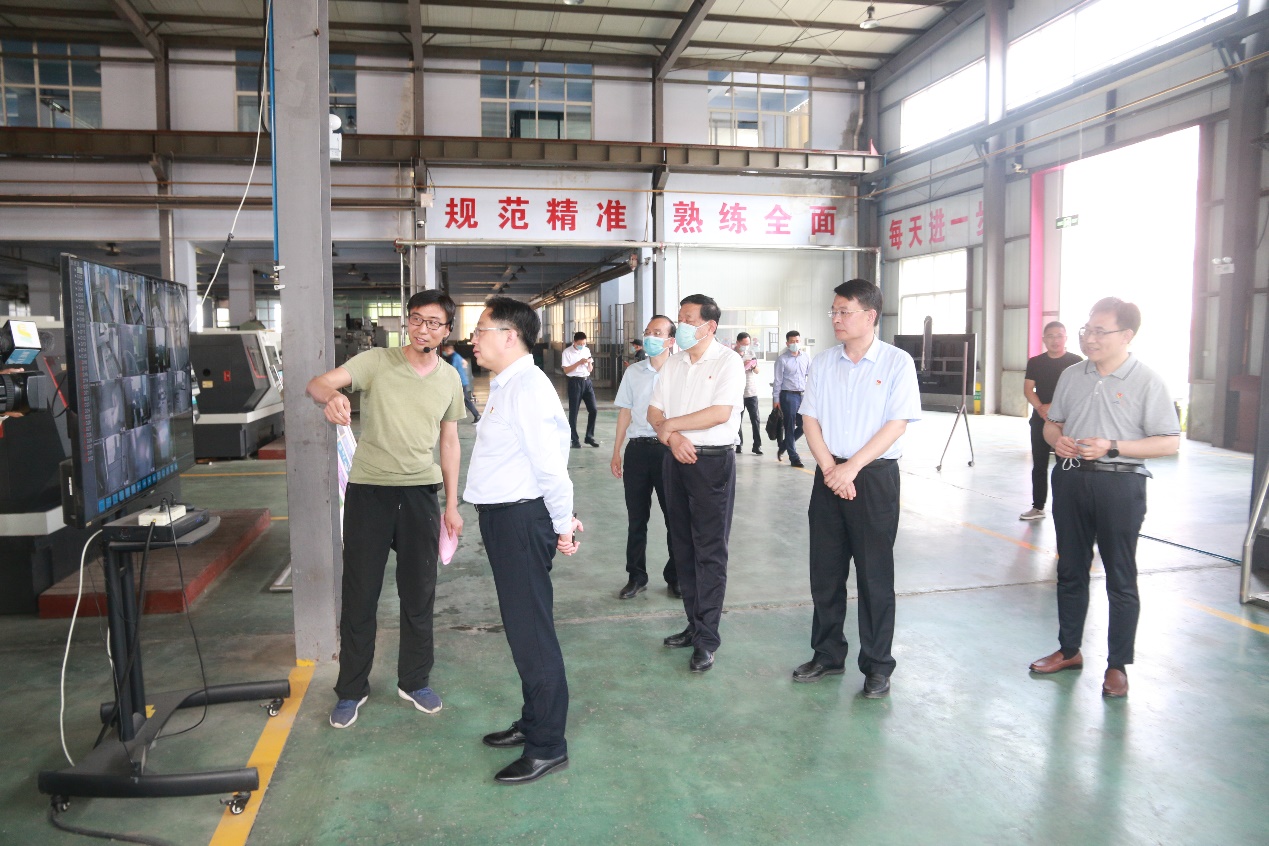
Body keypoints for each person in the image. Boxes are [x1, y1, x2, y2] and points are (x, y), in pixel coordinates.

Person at [305, 290, 466, 729]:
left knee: (419, 593)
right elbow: (316, 383)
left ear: (447, 331)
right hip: (369, 492)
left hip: (420, 495)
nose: (422, 329)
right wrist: (331, 397)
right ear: (406, 322)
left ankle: (414, 681)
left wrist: (451, 504)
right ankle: (351, 689)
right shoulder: (376, 362)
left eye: (433, 323)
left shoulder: (450, 379)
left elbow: (449, 442)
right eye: (415, 319)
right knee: (360, 594)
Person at [1029, 298, 1180, 699]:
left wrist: (1113, 447)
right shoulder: (1072, 375)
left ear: (1126, 335)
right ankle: (1069, 650)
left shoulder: (1147, 380)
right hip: (1071, 479)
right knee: (1070, 569)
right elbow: (1052, 424)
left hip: (1120, 486)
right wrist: (1056, 440)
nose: (1090, 339)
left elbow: (1169, 442)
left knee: (1120, 575)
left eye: (1100, 331)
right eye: (1087, 330)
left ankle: (1117, 665)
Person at [465, 296, 583, 784]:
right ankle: (534, 722)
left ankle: (548, 745)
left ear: (509, 336)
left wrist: (562, 524)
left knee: (531, 633)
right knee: (523, 629)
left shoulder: (528, 389)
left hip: (519, 520)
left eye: (481, 330)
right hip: (505, 518)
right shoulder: (508, 385)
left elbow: (551, 467)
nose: (473, 339)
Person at [791, 279, 921, 699]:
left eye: (844, 311)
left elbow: (896, 424)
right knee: (825, 573)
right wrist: (832, 469)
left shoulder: (897, 363)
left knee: (874, 575)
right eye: (833, 311)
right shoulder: (823, 362)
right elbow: (810, 419)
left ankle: (878, 666)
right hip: (830, 475)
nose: (836, 319)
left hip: (874, 478)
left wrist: (852, 468)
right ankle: (828, 654)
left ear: (870, 316)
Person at [647, 294, 745, 673]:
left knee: (709, 550)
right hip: (675, 458)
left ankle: (707, 639)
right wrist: (672, 437)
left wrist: (672, 426)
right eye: (681, 318)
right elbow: (654, 410)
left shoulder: (728, 362)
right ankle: (693, 624)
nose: (682, 325)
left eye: (689, 319)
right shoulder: (673, 363)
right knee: (682, 545)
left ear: (710, 325)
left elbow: (720, 413)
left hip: (711, 463)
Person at [611, 315, 680, 600]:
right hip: (638, 450)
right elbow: (625, 412)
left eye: (658, 333)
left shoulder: (681, 371)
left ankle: (676, 576)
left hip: (669, 451)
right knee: (637, 518)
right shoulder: (634, 372)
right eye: (648, 332)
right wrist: (616, 451)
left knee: (675, 518)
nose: (651, 337)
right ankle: (636, 576)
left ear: (671, 340)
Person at [1020, 322, 1081, 520]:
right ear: (1044, 339)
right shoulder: (1035, 362)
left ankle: (1067, 508)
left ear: (1066, 338)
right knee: (1039, 463)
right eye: (1051, 336)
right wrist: (1041, 409)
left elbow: (1078, 392)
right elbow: (1028, 389)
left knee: (1067, 464)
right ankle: (1038, 507)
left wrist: (1053, 408)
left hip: (1067, 422)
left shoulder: (1076, 362)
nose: (1055, 340)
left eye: (1059, 336)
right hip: (1040, 419)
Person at [772, 329, 810, 467]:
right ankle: (794, 458)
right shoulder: (782, 360)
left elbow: (810, 376)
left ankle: (784, 446)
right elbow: (777, 381)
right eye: (792, 341)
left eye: (797, 341)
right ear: (787, 343)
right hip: (788, 396)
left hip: (802, 395)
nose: (795, 344)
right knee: (789, 426)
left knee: (804, 425)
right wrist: (776, 400)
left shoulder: (806, 357)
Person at [562, 330, 599, 448]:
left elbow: (590, 369)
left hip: (587, 381)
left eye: (584, 343)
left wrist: (589, 363)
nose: (582, 346)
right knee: (574, 412)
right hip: (575, 382)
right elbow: (566, 370)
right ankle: (574, 440)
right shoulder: (567, 352)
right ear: (574, 342)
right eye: (579, 344)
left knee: (593, 409)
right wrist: (579, 363)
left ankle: (589, 436)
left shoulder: (586, 350)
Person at [734, 332, 763, 455]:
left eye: (748, 344)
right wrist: (743, 365)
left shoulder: (751, 353)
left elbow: (757, 371)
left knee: (755, 419)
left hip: (751, 392)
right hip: (737, 393)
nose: (746, 346)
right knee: (737, 420)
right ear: (738, 343)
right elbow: (730, 372)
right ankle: (738, 444)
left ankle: (757, 445)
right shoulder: (731, 355)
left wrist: (753, 366)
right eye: (744, 344)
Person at [440, 340, 481, 423]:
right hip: (460, 381)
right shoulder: (455, 356)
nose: (445, 352)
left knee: (466, 400)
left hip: (460, 382)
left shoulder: (454, 357)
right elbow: (465, 363)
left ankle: (477, 415)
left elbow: (452, 369)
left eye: (446, 350)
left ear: (449, 349)